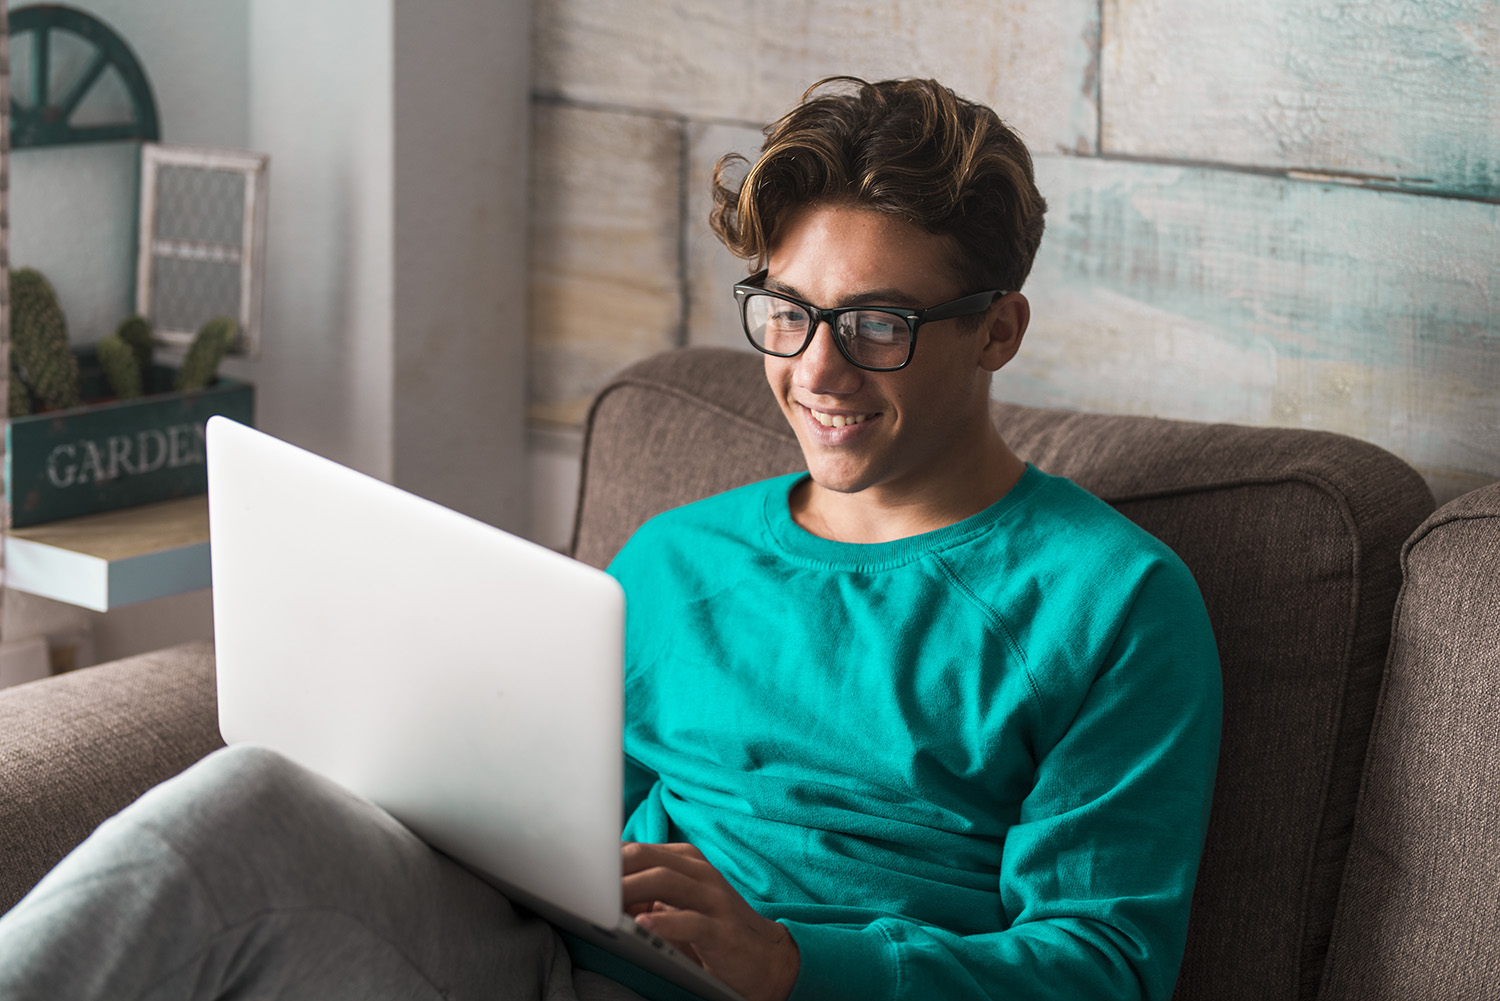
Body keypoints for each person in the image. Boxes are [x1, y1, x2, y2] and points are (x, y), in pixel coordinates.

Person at [0, 77, 1220, 1001]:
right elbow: (544, 829)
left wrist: (794, 961)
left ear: (998, 328)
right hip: (568, 968)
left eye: (880, 324)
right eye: (787, 313)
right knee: (254, 800)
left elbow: (1102, 959)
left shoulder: (1111, 602)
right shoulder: (675, 560)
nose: (817, 369)